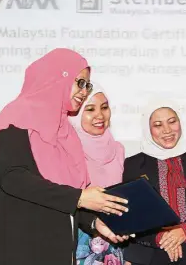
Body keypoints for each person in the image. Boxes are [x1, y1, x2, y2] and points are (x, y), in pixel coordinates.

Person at [0, 48, 129, 265]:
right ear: (59, 78)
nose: (84, 92)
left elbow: (63, 195)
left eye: (88, 85)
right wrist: (80, 197)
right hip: (23, 250)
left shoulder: (65, 132)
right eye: (80, 83)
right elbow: (13, 177)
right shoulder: (17, 116)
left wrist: (95, 223)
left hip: (60, 252)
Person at [123, 100, 186, 265]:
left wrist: (185, 231)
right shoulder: (134, 164)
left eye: (172, 122)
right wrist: (161, 238)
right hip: (150, 253)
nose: (167, 130)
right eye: (158, 125)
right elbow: (132, 215)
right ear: (147, 129)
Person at [69, 83, 126, 264]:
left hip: (115, 242)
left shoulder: (118, 149)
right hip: (78, 241)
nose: (100, 115)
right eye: (90, 109)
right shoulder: (66, 151)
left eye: (104, 107)